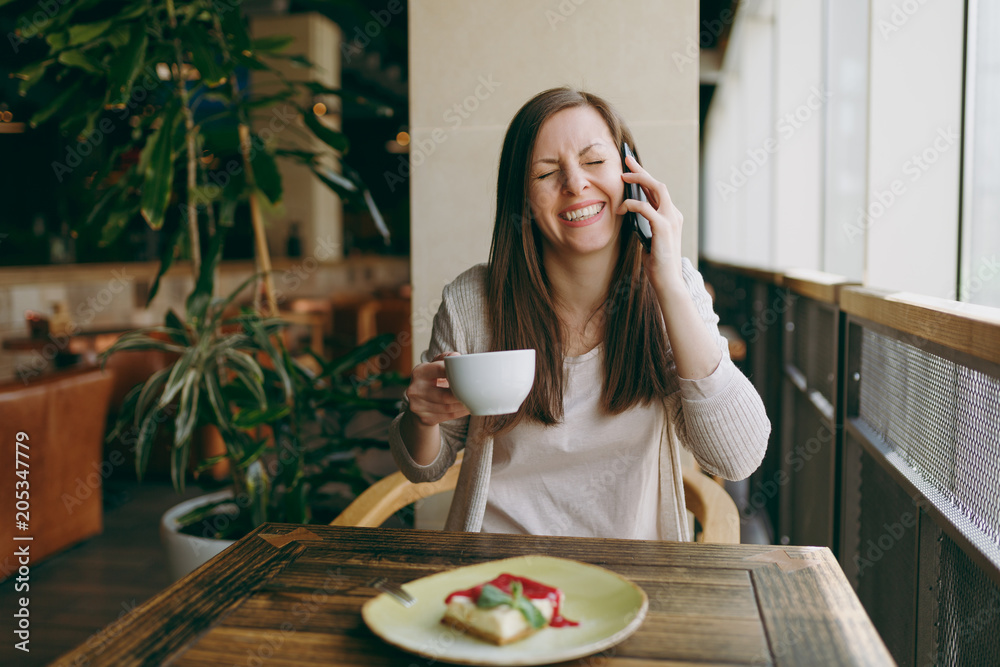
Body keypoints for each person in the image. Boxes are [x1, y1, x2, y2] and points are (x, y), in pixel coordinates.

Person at [389, 87, 770, 540]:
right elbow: (425, 468)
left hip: (633, 581)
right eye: (547, 173)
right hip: (498, 576)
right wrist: (422, 418)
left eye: (594, 162)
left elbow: (737, 456)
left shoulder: (673, 290)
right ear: (523, 200)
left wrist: (667, 281)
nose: (575, 184)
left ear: (630, 172)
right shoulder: (473, 300)